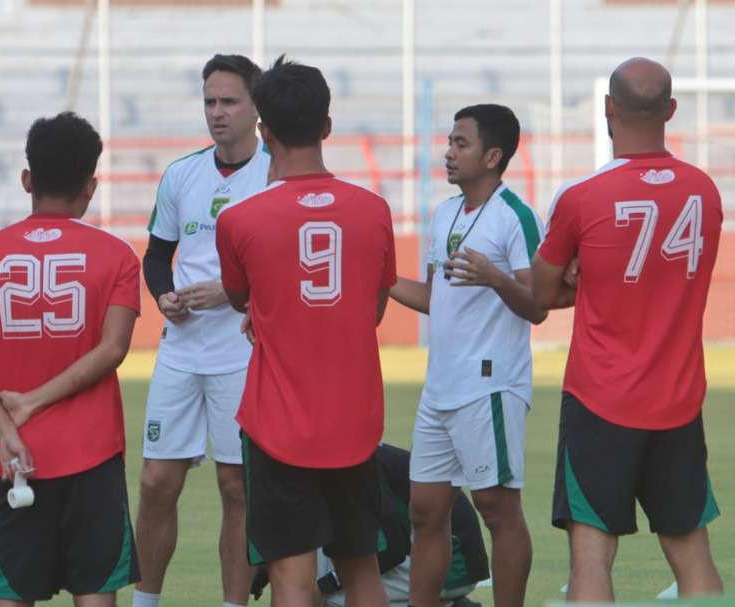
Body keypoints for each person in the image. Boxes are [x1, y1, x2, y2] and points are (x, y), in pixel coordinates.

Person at [532, 57, 724, 603]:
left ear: (608, 108)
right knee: (692, 552)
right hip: (678, 399)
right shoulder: (704, 191)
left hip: (601, 397)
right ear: (671, 110)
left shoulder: (580, 196)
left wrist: (581, 275)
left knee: (591, 555)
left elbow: (542, 296)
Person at [215, 56, 397, 607]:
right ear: (327, 126)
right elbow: (374, 310)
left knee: (292, 580)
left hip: (278, 423)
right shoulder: (374, 210)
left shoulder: (239, 220)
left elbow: (242, 297)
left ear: (263, 130)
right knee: (362, 569)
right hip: (354, 418)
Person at [0, 111, 141, 607]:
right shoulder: (117, 255)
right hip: (92, 452)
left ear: (27, 179)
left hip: (16, 458)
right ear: (91, 185)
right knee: (95, 594)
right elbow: (114, 349)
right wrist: (32, 402)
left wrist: (6, 423)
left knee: (12, 595)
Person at [388, 104, 543, 607]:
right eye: (450, 142)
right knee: (425, 511)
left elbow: (537, 304)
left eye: (460, 143)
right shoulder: (443, 213)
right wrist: (381, 279)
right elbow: (436, 298)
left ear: (493, 155)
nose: (448, 153)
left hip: (490, 385)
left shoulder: (515, 216)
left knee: (497, 509)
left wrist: (495, 278)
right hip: (441, 387)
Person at [135, 53, 269, 607]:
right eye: (210, 101)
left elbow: (282, 268)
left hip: (242, 353)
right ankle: (145, 600)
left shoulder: (274, 175)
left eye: (229, 101)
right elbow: (157, 255)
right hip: (181, 351)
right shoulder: (182, 174)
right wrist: (163, 295)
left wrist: (231, 293)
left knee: (236, 488)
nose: (217, 113)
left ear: (256, 107)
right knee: (155, 484)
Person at [249, 444, 488, 607]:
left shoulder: (353, 467)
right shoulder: (337, 458)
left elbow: (390, 550)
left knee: (331, 593)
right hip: (418, 550)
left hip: (455, 567)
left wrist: (324, 587)